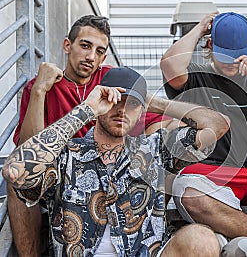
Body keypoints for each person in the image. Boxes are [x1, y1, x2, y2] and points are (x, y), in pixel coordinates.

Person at [2, 67, 229, 256]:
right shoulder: (67, 154)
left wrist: (153, 102)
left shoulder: (154, 149)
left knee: (201, 239)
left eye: (132, 104)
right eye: (115, 100)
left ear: (141, 112)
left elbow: (218, 126)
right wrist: (86, 110)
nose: (121, 109)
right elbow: (15, 171)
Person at [160, 11, 247, 252]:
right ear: (210, 44)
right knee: (186, 190)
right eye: (224, 54)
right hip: (214, 174)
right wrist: (200, 27)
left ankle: (237, 225)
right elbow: (170, 66)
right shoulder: (197, 76)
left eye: (237, 55)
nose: (231, 61)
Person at [8, 14, 113, 257]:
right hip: (58, 178)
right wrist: (40, 90)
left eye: (99, 51)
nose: (90, 57)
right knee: (17, 179)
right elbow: (26, 151)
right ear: (68, 45)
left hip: (103, 176)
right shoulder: (41, 87)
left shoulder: (108, 80)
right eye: (85, 46)